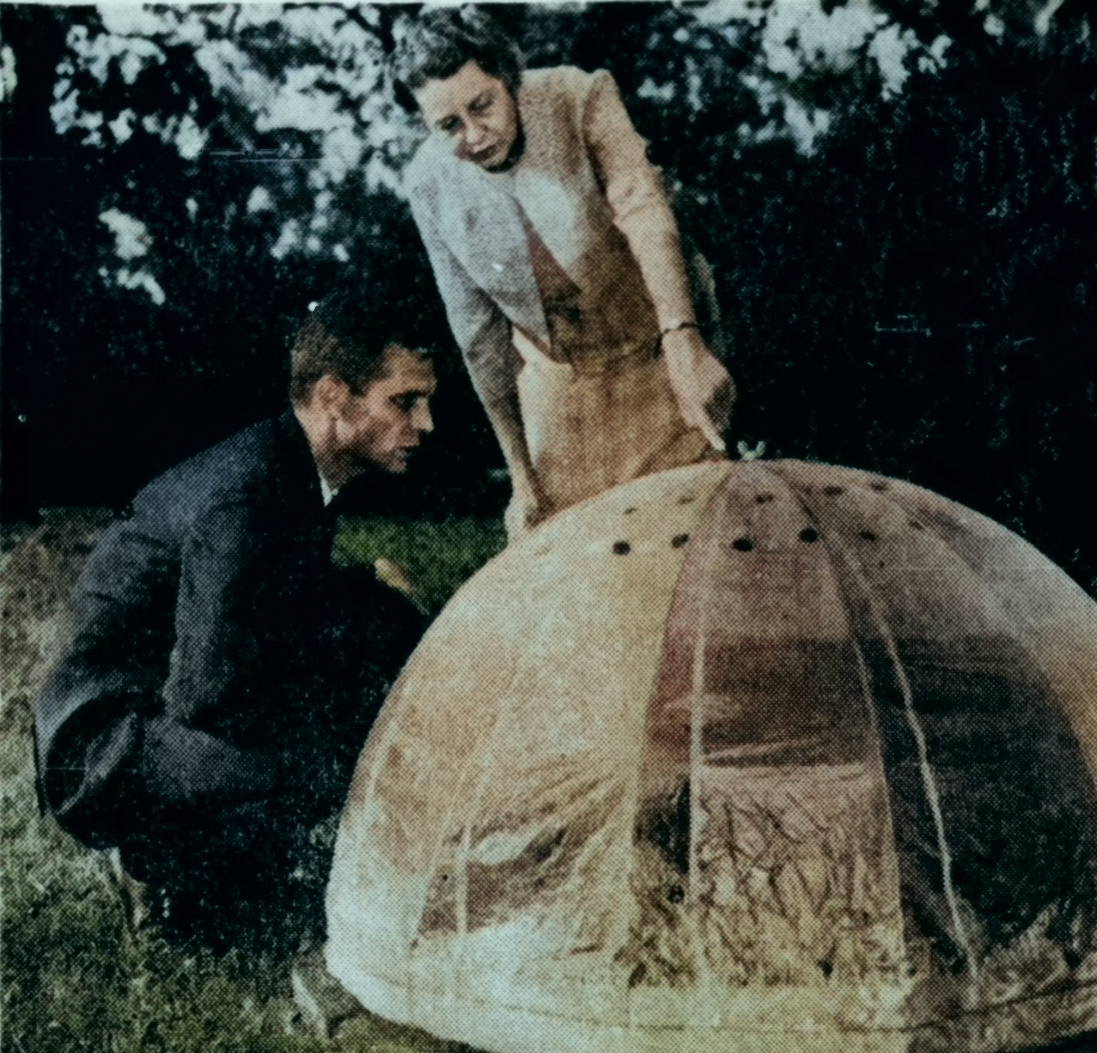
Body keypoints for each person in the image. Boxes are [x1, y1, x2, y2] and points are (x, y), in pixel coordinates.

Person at [33, 286, 437, 953]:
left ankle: (231, 865)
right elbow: (207, 692)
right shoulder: (247, 493)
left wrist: (375, 602)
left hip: (155, 702)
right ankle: (158, 873)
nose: (426, 424)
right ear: (333, 397)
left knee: (378, 623)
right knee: (321, 761)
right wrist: (328, 738)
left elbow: (276, 606)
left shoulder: (299, 468)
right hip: (103, 743)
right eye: (404, 402)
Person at [395, 8, 735, 537]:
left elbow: (644, 210)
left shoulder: (577, 95)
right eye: (449, 126)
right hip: (558, 394)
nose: (475, 135)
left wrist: (684, 340)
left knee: (692, 539)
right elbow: (476, 332)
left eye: (482, 106)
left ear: (507, 77)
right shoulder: (426, 182)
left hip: (659, 359)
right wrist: (519, 473)